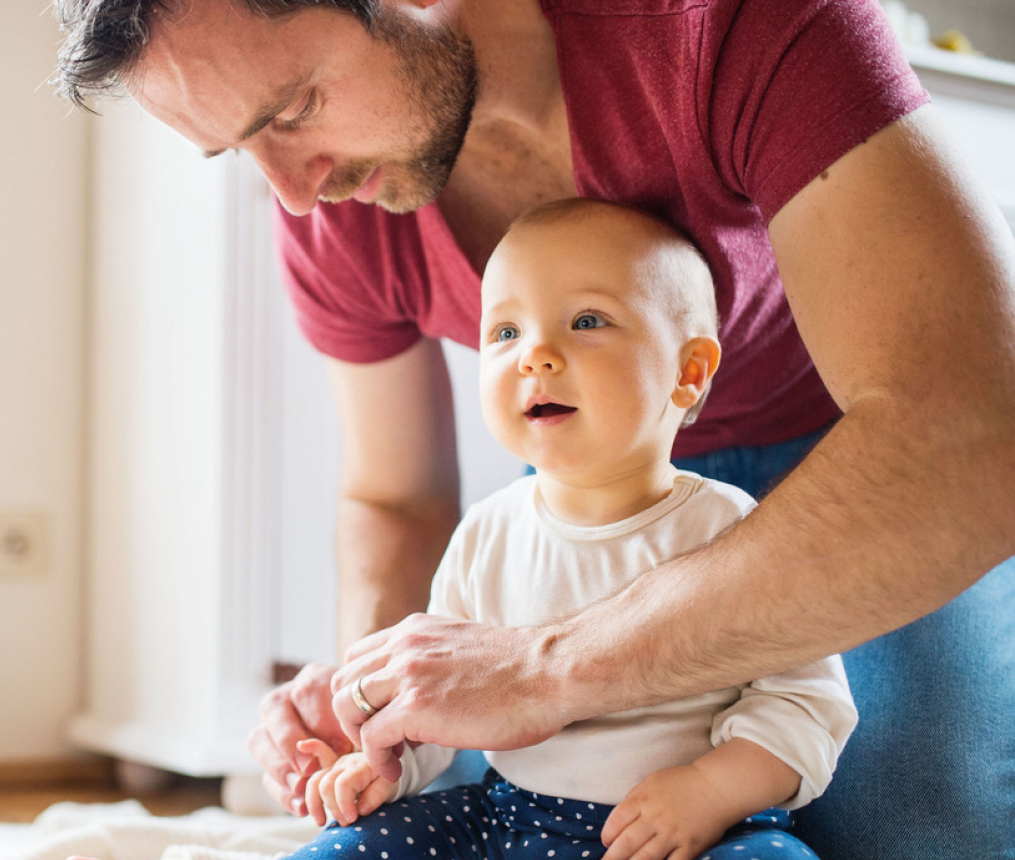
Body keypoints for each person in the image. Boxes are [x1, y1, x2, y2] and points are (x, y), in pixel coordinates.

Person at [50, 0, 1015, 855]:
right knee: (464, 792)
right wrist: (373, 698)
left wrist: (547, 668)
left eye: (294, 108)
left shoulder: (732, 25)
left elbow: (972, 438)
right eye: (240, 149)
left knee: (920, 825)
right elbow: (394, 495)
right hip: (588, 491)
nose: (298, 196)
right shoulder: (329, 209)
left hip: (858, 469)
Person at [281, 197, 857, 860]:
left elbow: (805, 703)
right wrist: (384, 766)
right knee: (346, 847)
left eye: (586, 321)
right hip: (507, 821)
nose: (536, 356)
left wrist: (709, 793)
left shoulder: (729, 530)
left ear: (689, 371)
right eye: (504, 333)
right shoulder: (487, 533)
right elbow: (437, 701)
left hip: (693, 835)